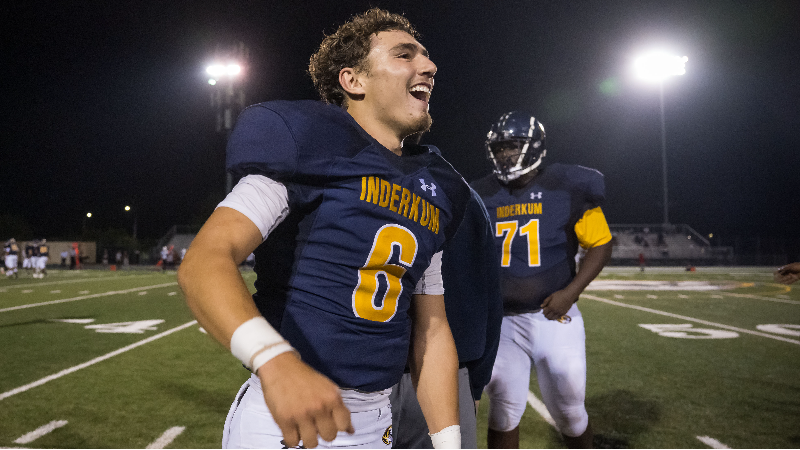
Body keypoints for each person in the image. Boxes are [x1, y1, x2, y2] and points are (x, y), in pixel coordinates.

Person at [178, 8, 470, 449]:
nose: (427, 66)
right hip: (288, 419)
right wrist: (274, 363)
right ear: (353, 80)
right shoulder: (308, 144)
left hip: (379, 419)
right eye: (405, 54)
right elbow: (205, 261)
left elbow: (431, 328)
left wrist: (449, 443)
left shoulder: (437, 188)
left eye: (426, 57)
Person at [472, 112, 614, 449]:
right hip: (504, 322)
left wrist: (571, 291)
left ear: (534, 147)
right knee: (503, 410)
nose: (505, 155)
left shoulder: (567, 186)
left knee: (569, 410)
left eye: (513, 147)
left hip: (555, 317)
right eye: (500, 148)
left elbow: (601, 243)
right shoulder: (480, 192)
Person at [390, 186, 503, 449]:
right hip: (451, 376)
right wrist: (476, 383)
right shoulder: (462, 193)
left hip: (361, 375)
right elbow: (490, 301)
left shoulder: (345, 180)